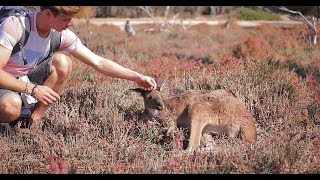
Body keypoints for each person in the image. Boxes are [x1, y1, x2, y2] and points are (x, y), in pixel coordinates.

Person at [0, 6, 157, 128]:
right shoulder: (15, 26)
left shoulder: (60, 34)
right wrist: (32, 89)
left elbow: (98, 62)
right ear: (48, 14)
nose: (70, 24)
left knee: (63, 62)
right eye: (65, 19)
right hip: (5, 82)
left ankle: (32, 123)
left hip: (25, 78)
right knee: (11, 106)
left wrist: (136, 77)